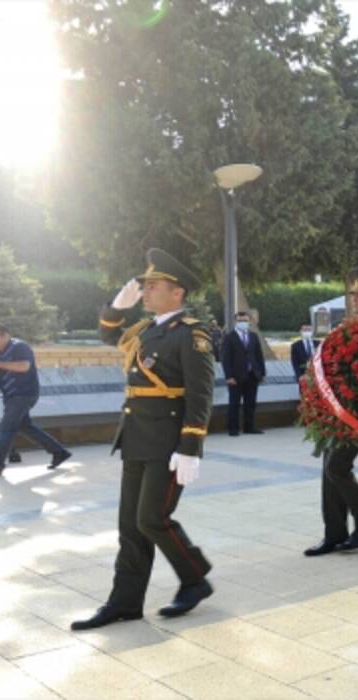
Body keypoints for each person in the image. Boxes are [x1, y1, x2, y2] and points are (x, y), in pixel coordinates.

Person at [72, 249, 215, 630]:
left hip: (168, 442)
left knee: (152, 518)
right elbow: (107, 333)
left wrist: (191, 447)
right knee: (130, 526)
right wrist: (115, 307)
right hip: (136, 435)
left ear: (177, 293)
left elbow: (200, 395)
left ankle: (195, 577)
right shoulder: (147, 331)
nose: (146, 292)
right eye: (145, 286)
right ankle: (125, 602)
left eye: (154, 286)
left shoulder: (191, 335)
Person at [303, 270, 358, 558]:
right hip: (334, 406)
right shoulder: (349, 324)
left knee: (337, 468)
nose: (355, 298)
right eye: (353, 294)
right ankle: (334, 534)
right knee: (329, 471)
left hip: (356, 408)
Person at [0, 322, 71, 475]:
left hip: (25, 394)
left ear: (6, 336)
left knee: (5, 427)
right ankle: (59, 452)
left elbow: (24, 367)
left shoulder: (20, 347)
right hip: (10, 396)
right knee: (24, 426)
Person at [219, 311, 266, 436]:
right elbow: (225, 358)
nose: (243, 323)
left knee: (250, 403)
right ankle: (233, 428)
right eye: (240, 321)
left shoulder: (253, 336)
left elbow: (259, 356)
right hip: (236, 376)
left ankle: (249, 427)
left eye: (245, 320)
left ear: (249, 321)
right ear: (235, 322)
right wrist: (229, 376)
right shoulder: (229, 337)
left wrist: (261, 373)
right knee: (234, 403)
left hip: (252, 375)